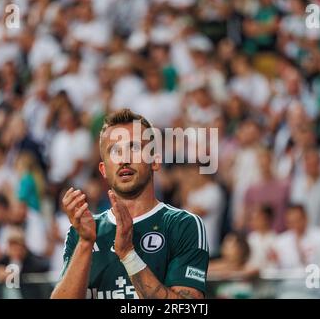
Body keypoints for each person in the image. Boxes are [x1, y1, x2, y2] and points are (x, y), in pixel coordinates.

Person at [51, 109, 209, 299]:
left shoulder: (183, 225)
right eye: (115, 151)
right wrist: (85, 243)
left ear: (155, 161)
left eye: (134, 148)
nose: (124, 160)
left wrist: (128, 254)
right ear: (103, 169)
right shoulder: (83, 231)